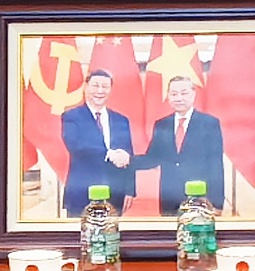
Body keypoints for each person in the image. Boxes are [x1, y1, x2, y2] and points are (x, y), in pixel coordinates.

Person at [132, 75, 226, 214]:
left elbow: (215, 165)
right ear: (168, 96)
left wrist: (217, 203)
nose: (179, 98)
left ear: (193, 95)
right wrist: (127, 160)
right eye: (174, 94)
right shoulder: (162, 124)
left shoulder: (209, 123)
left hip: (199, 199)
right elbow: (152, 158)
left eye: (184, 93)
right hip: (169, 200)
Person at [59, 67, 136, 216]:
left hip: (115, 194)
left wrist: (130, 190)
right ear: (85, 87)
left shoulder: (121, 120)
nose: (100, 91)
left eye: (105, 86)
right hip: (82, 192)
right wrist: (109, 154)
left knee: (111, 230)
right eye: (95, 85)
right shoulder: (71, 116)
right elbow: (75, 146)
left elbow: (128, 155)